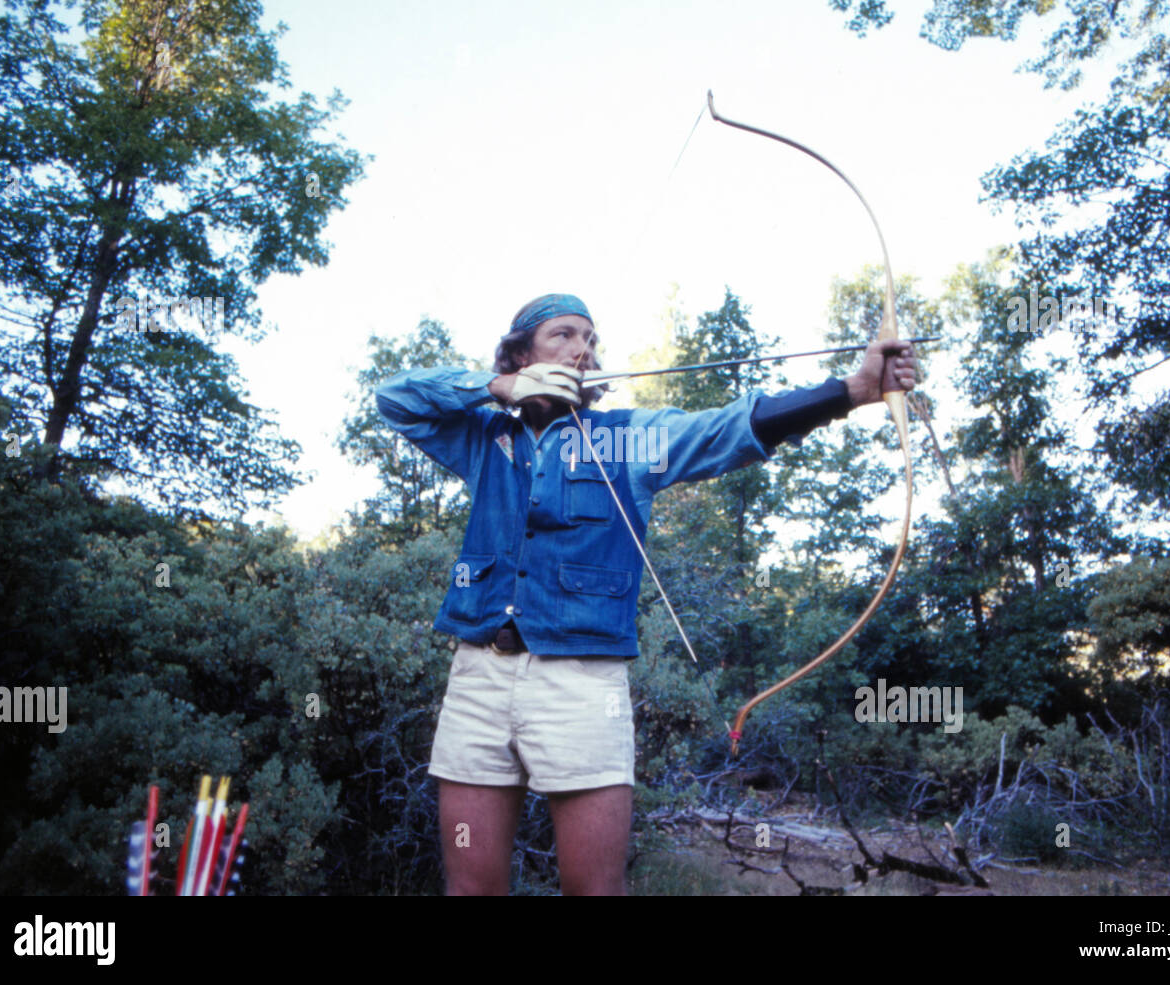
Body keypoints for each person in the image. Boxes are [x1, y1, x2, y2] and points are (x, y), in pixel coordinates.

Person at [375, 293, 916, 895]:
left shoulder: (631, 438)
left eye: (589, 338)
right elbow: (394, 397)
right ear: (522, 351)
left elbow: (731, 427)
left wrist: (854, 389)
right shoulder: (483, 435)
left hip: (582, 684)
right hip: (479, 675)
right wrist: (497, 386)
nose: (582, 349)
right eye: (562, 335)